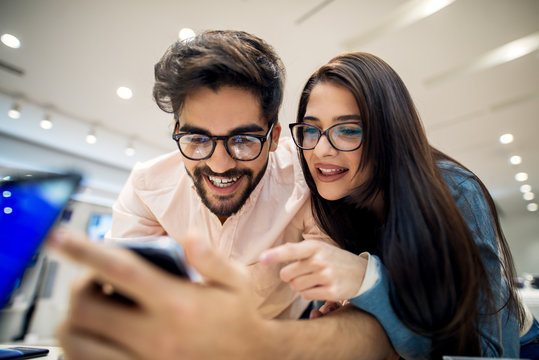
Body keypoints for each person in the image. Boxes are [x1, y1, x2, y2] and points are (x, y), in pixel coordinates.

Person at [260, 52, 539, 359]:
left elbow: (488, 351)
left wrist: (368, 279)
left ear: (388, 132)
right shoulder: (334, 203)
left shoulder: (454, 192)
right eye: (311, 130)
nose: (321, 149)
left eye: (349, 130)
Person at [107, 29, 331, 320]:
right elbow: (123, 296)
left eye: (242, 140)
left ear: (274, 137)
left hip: (285, 332)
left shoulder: (308, 180)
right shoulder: (147, 188)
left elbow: (335, 282)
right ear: (177, 133)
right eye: (198, 139)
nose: (220, 165)